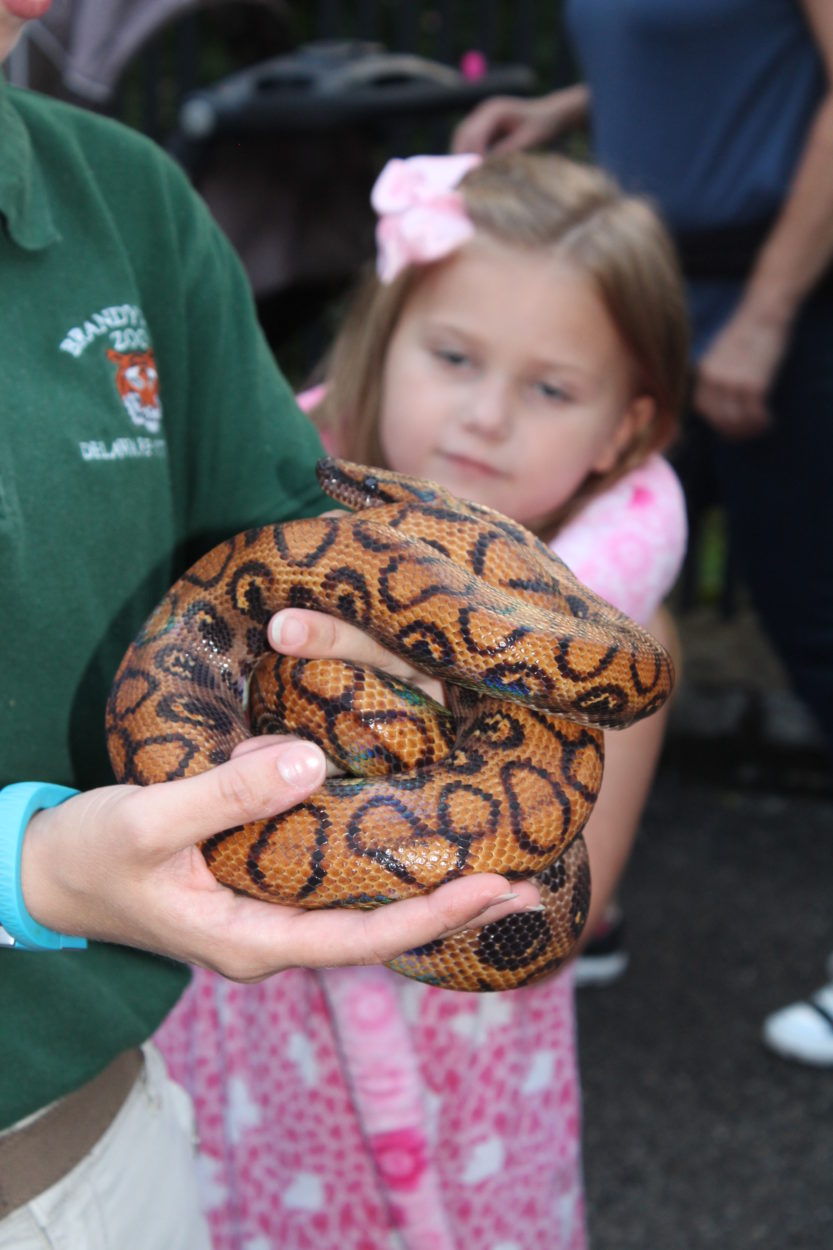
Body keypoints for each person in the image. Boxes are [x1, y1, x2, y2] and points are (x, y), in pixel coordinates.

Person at [0, 7, 541, 1246]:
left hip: (96, 1154)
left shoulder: (128, 203)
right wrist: (30, 871)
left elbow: (292, 551)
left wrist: (402, 650)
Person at [155, 150, 689, 1250]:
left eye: (549, 387)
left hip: (475, 1082)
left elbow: (561, 904)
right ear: (378, 346)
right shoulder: (266, 545)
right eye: (452, 356)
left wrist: (392, 705)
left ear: (624, 432)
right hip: (263, 1056)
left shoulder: (629, 634)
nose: (484, 416)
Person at [453, 0, 833, 1067]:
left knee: (815, 626)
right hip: (646, 303)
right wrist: (563, 105)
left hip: (777, 301)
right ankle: (573, 892)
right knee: (593, 610)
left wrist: (760, 316)